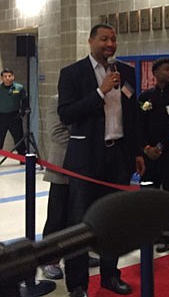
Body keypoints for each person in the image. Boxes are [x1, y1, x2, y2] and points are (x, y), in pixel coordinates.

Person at [58, 24, 145, 297]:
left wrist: (137, 151)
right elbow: (66, 114)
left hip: (118, 156)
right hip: (86, 159)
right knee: (79, 223)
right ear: (91, 41)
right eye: (104, 39)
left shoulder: (126, 73)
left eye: (114, 39)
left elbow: (132, 117)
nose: (110, 44)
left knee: (114, 220)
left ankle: (110, 275)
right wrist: (100, 92)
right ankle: (78, 284)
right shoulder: (72, 73)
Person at [39, 95, 100, 280]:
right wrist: (85, 148)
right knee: (57, 215)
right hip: (63, 166)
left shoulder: (90, 100)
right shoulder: (57, 100)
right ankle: (50, 259)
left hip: (86, 169)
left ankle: (78, 255)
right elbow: (56, 133)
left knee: (80, 215)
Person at [138, 57, 169, 252]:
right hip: (150, 155)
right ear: (155, 73)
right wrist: (146, 147)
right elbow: (139, 125)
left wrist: (163, 146)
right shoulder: (146, 97)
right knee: (150, 195)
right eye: (166, 69)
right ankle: (152, 232)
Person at [0, 68, 28, 157]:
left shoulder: (19, 88)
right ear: (2, 78)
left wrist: (23, 112)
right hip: (2, 117)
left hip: (14, 116)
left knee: (19, 137)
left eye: (9, 76)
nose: (7, 78)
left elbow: (25, 100)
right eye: (5, 76)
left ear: (13, 77)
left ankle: (22, 157)